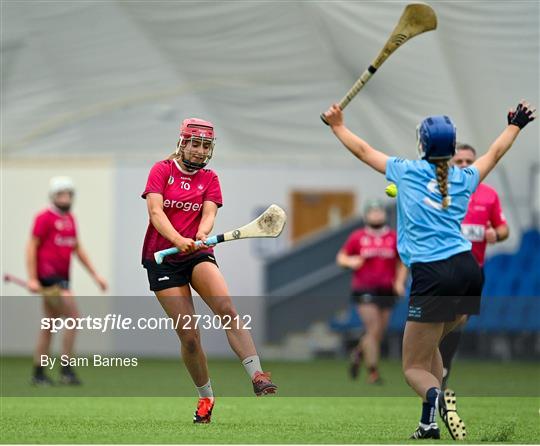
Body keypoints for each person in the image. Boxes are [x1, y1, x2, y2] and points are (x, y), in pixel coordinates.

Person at [323, 101, 535, 440]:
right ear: (453, 149)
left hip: (433, 275)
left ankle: (438, 398)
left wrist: (337, 125)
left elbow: (363, 151)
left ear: (422, 145)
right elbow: (494, 153)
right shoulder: (465, 177)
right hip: (468, 272)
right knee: (431, 343)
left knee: (412, 368)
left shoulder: (405, 171)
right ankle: (428, 424)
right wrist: (516, 124)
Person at [141, 118, 277, 424]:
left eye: (206, 145)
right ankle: (206, 398)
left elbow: (209, 213)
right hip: (163, 259)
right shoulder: (162, 170)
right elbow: (155, 212)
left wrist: (200, 235)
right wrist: (177, 239)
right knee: (190, 337)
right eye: (196, 143)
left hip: (197, 253)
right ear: (183, 143)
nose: (201, 151)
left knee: (226, 306)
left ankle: (257, 375)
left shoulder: (210, 178)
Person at [439, 143, 509, 389]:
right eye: (459, 162)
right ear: (450, 164)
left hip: (473, 271)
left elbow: (503, 228)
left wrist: (495, 235)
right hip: (442, 269)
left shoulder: (489, 194)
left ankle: (444, 366)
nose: (465, 166)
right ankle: (433, 364)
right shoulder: (440, 191)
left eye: (469, 161)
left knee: (459, 321)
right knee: (438, 320)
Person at [27, 176, 108, 385]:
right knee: (73, 317)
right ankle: (65, 369)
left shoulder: (70, 218)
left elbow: (77, 248)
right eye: (61, 194)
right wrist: (32, 278)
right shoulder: (44, 217)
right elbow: (31, 247)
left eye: (68, 194)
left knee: (49, 323)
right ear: (53, 196)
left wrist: (95, 275)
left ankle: (39, 372)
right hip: (49, 279)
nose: (65, 198)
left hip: (63, 278)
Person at [336, 200, 407, 384]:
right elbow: (341, 257)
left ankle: (358, 351)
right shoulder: (358, 237)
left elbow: (403, 262)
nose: (376, 215)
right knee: (373, 328)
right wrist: (351, 262)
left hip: (386, 290)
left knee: (378, 333)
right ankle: (373, 373)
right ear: (365, 216)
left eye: (379, 212)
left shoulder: (393, 237)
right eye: (372, 212)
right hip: (364, 289)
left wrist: (399, 283)